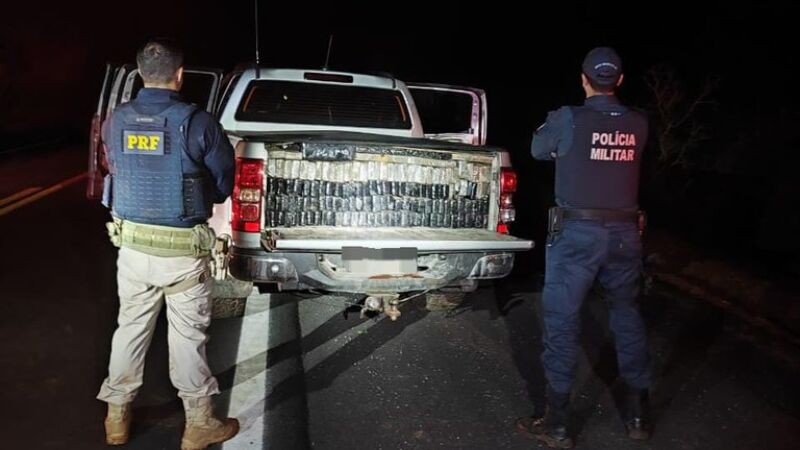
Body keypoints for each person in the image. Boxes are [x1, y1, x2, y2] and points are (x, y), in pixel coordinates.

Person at [96, 38, 238, 450]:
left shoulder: (115, 119)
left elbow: (116, 167)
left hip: (133, 249)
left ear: (141, 74)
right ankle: (199, 425)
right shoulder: (197, 122)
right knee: (188, 336)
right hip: (181, 254)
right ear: (180, 74)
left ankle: (116, 418)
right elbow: (223, 184)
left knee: (130, 330)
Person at [517, 47, 652, 448]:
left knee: (562, 321)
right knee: (627, 316)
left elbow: (537, 151)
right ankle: (639, 416)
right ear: (621, 80)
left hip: (577, 234)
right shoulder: (640, 123)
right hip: (626, 235)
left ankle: (557, 424)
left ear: (583, 79)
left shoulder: (568, 118)